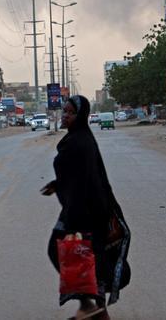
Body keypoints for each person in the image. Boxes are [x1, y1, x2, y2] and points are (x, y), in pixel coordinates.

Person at [41, 95, 131, 320]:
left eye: (70, 113)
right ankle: (95, 310)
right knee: (93, 256)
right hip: (90, 208)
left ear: (80, 116)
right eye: (64, 111)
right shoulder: (80, 139)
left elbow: (82, 182)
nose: (65, 116)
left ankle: (89, 305)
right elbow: (77, 176)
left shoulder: (79, 143)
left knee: (59, 250)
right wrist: (57, 185)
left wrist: (74, 220)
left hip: (83, 211)